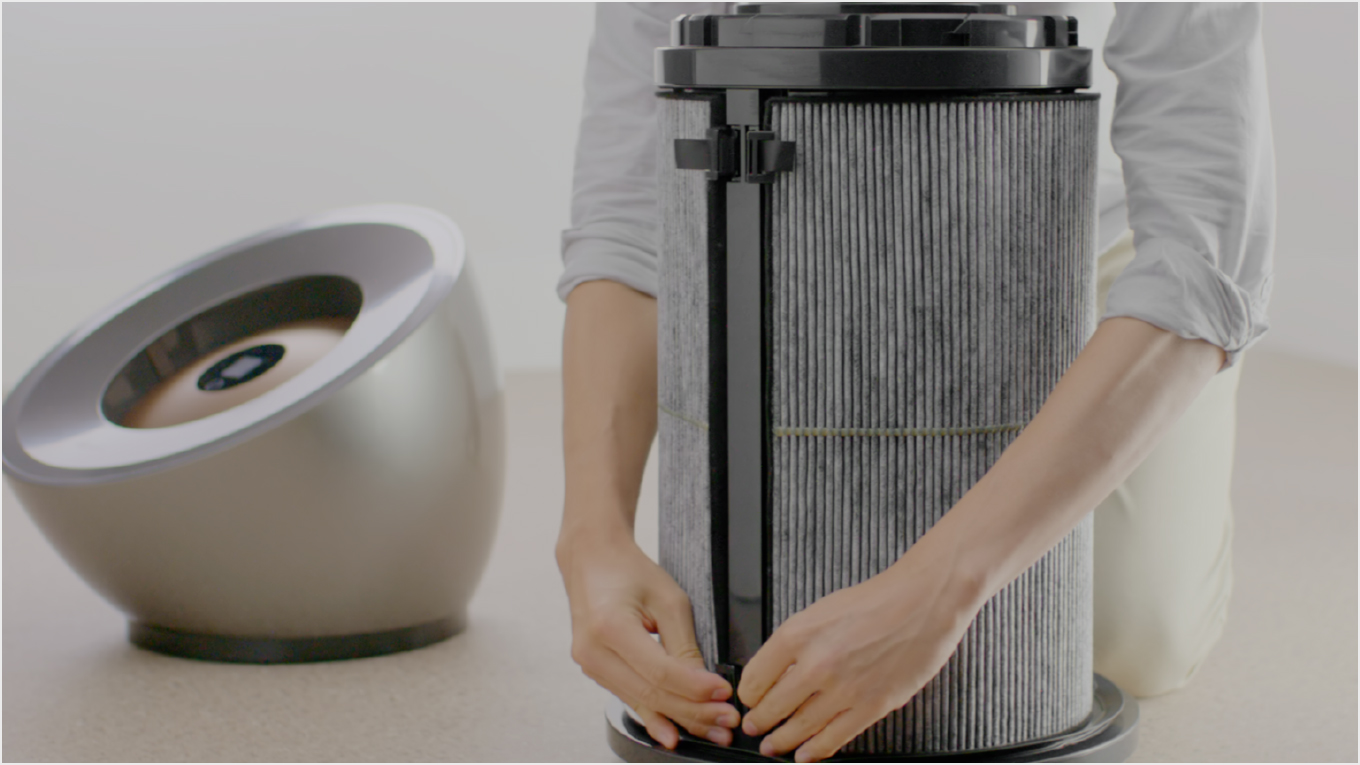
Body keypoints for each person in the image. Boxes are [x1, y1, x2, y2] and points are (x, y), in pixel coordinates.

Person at [555, 3, 1275, 762]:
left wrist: (943, 587)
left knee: (1132, 636)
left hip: (1077, 261)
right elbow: (627, 216)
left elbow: (1204, 258)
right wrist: (591, 534)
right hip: (777, 244)